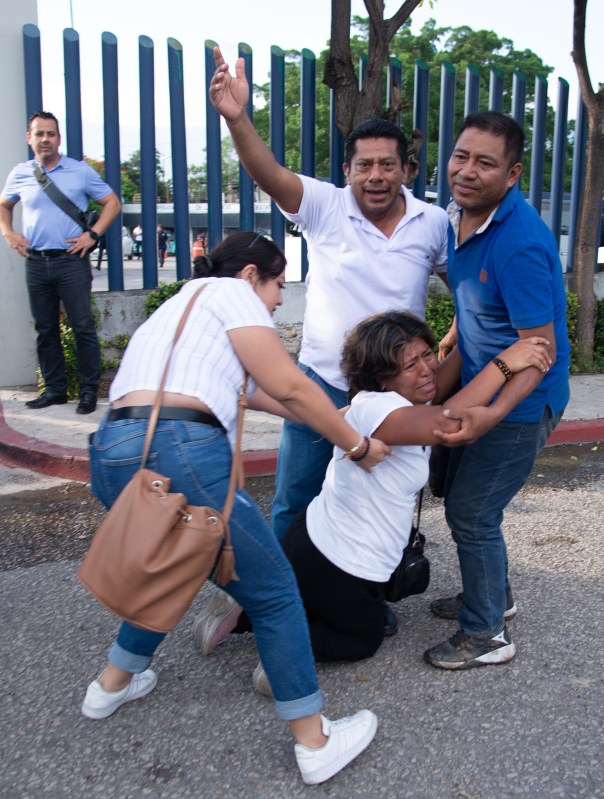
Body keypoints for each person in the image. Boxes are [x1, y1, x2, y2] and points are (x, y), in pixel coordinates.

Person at [83, 231, 391, 785]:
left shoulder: (179, 306)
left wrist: (341, 414)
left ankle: (110, 686)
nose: (277, 300)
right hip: (179, 451)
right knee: (273, 593)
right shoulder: (232, 295)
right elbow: (291, 387)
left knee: (173, 566)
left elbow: (265, 395)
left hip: (112, 450)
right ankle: (314, 741)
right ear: (252, 275)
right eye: (277, 285)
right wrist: (358, 444)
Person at [195, 312, 551, 672]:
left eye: (428, 355)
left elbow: (443, 394)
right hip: (339, 563)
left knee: (317, 606)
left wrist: (472, 335)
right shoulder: (380, 410)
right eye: (410, 364)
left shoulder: (389, 401)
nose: (426, 369)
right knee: (362, 639)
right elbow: (450, 421)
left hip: (314, 542)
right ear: (381, 377)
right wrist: (505, 363)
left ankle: (251, 606)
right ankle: (282, 646)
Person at [208, 46, 450, 548]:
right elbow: (268, 173)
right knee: (295, 497)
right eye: (364, 166)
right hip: (322, 384)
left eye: (388, 165)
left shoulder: (434, 223)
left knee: (381, 499)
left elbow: (468, 294)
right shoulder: (324, 206)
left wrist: (446, 346)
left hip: (393, 393)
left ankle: (369, 593)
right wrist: (237, 119)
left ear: (406, 168)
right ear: (348, 171)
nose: (376, 176)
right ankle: (278, 602)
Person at [423, 111, 570, 670]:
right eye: (461, 156)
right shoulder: (459, 218)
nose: (466, 171)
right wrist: (462, 326)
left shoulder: (521, 244)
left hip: (521, 402)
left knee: (472, 513)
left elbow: (539, 350)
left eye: (485, 163)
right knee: (463, 498)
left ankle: (486, 634)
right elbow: (468, 285)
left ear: (511, 175)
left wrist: (493, 415)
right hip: (483, 379)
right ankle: (494, 597)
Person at [0, 111, 121, 414]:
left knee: (82, 327)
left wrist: (92, 234)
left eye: (50, 134)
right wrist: (9, 233)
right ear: (29, 138)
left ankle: (89, 392)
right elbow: (4, 205)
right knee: (45, 329)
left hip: (71, 261)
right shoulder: (20, 173)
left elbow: (112, 203)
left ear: (59, 139)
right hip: (36, 262)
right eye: (39, 134)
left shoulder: (79, 171)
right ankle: (54, 390)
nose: (45, 139)